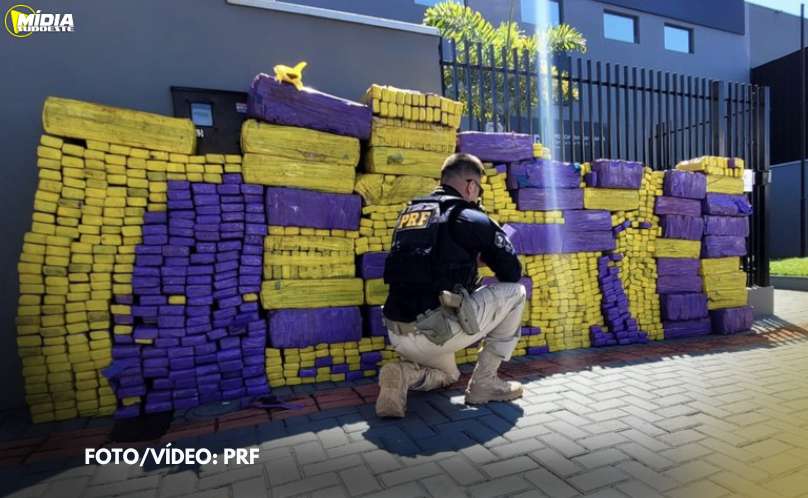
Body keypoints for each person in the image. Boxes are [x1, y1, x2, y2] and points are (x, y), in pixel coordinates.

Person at [377, 152, 527, 418]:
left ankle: (403, 374)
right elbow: (512, 272)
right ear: (471, 185)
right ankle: (485, 383)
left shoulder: (411, 212)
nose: (477, 194)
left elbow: (432, 259)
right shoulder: (468, 216)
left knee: (448, 375)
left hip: (398, 331)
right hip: (436, 332)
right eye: (478, 189)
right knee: (517, 293)